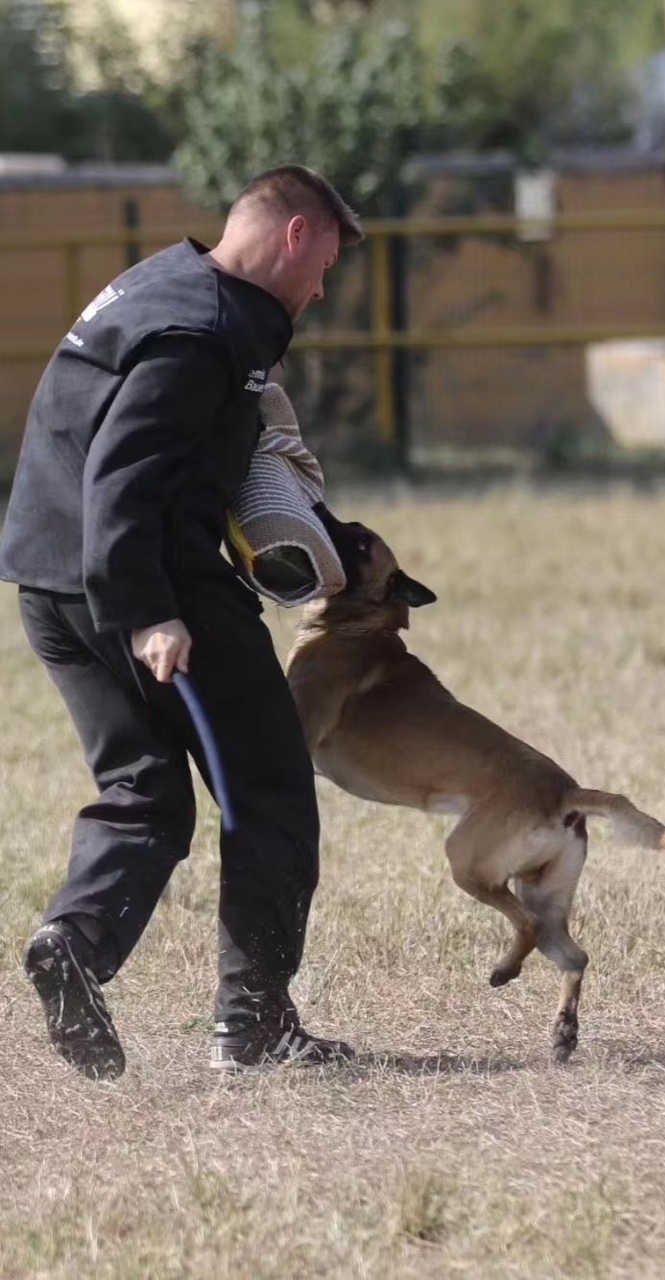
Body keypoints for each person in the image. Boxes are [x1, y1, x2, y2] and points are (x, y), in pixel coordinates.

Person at [0, 164, 364, 1079]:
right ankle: (254, 1028)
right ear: (294, 235)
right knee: (270, 789)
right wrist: (150, 613)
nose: (321, 290)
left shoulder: (164, 284)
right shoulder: (200, 332)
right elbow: (121, 473)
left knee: (144, 791)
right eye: (323, 266)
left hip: (52, 581)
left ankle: (72, 943)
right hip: (149, 586)